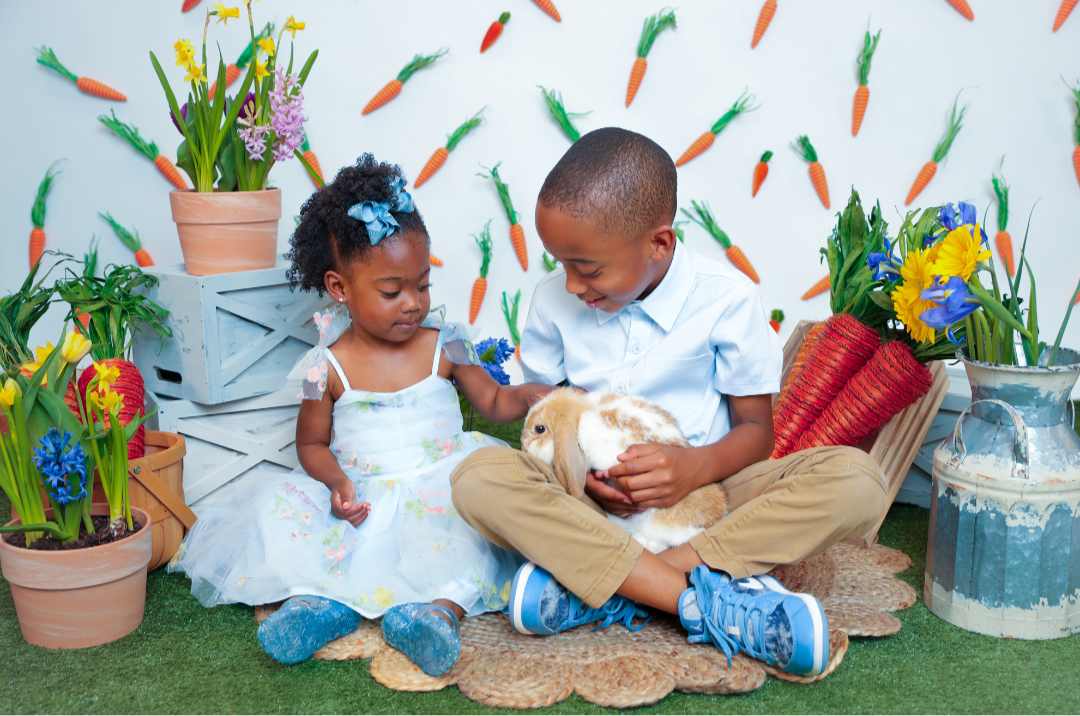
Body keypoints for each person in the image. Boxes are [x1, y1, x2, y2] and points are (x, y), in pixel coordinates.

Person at [449, 128, 890, 677]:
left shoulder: (727, 300)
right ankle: (700, 601)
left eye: (587, 269)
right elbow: (547, 425)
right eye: (560, 264)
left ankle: (616, 585)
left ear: (658, 244)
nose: (569, 285)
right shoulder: (551, 302)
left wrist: (692, 469)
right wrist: (583, 477)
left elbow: (757, 431)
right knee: (477, 476)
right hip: (591, 505)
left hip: (707, 499)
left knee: (859, 481)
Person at [169, 154, 553, 676]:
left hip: (443, 484)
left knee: (472, 535)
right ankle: (318, 606)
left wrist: (526, 396)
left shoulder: (448, 343)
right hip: (362, 492)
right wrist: (337, 482)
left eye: (422, 285)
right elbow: (310, 445)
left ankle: (436, 614)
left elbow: (491, 402)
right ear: (339, 288)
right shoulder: (321, 367)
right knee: (296, 526)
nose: (413, 303)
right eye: (392, 291)